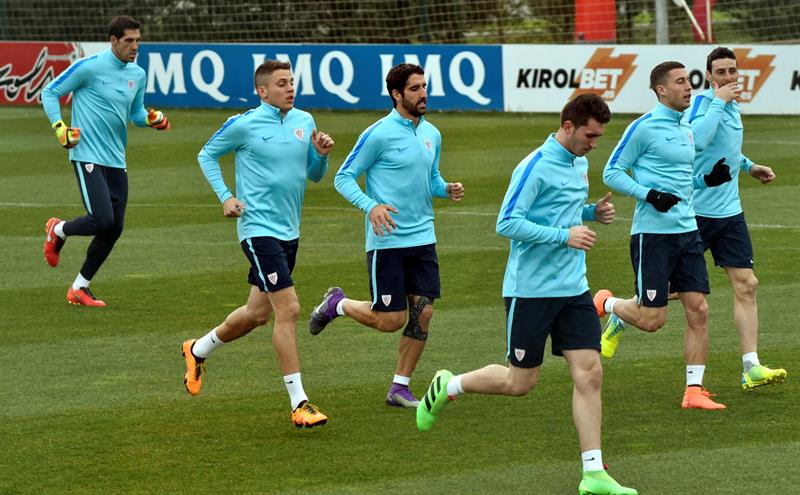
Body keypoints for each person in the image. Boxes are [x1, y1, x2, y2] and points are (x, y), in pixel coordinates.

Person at [416, 94, 637, 495]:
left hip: (574, 288)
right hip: (531, 292)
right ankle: (450, 384)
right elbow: (507, 223)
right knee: (520, 383)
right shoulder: (533, 166)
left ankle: (593, 474)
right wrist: (563, 236)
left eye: (599, 137)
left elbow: (561, 210)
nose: (594, 144)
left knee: (590, 373)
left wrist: (590, 213)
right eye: (590, 134)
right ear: (568, 126)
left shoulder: (580, 161)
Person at [181, 60, 333, 428]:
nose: (290, 88)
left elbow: (313, 176)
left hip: (289, 232)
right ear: (262, 91)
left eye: (292, 82)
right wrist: (225, 196)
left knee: (256, 314)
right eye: (281, 83)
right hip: (257, 230)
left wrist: (321, 155)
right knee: (290, 309)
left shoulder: (304, 122)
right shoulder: (244, 124)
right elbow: (206, 154)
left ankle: (197, 349)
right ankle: (300, 403)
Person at [307, 63, 464, 408]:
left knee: (422, 313)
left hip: (423, 238)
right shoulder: (378, 134)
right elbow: (344, 177)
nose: (423, 94)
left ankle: (399, 387)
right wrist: (371, 206)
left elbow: (431, 178)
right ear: (397, 94)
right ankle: (338, 304)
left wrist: (445, 188)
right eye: (415, 89)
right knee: (391, 320)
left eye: (425, 86)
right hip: (388, 242)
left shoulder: (432, 134)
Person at [595, 61, 733, 410]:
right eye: (681, 81)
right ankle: (607, 304)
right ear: (661, 90)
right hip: (653, 236)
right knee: (652, 320)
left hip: (688, 232)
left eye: (689, 80)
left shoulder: (685, 125)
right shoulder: (643, 127)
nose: (689, 86)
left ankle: (694, 391)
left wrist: (706, 181)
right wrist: (649, 194)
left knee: (698, 309)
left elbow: (681, 179)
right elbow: (612, 172)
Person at [41, 15, 169, 307]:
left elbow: (136, 113)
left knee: (115, 227)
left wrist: (151, 119)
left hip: (115, 157)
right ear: (113, 41)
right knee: (102, 219)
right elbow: (50, 92)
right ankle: (57, 229)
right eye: (129, 41)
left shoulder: (137, 74)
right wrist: (59, 128)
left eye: (138, 40)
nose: (135, 46)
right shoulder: (90, 67)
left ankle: (79, 287)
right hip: (86, 153)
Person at [685, 46, 786, 390]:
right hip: (694, 213)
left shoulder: (732, 108)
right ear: (709, 77)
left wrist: (749, 166)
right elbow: (697, 142)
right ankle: (615, 310)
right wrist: (718, 101)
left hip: (730, 213)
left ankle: (750, 366)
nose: (729, 78)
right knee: (667, 293)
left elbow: (726, 148)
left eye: (733, 71)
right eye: (722, 72)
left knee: (747, 284)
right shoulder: (702, 104)